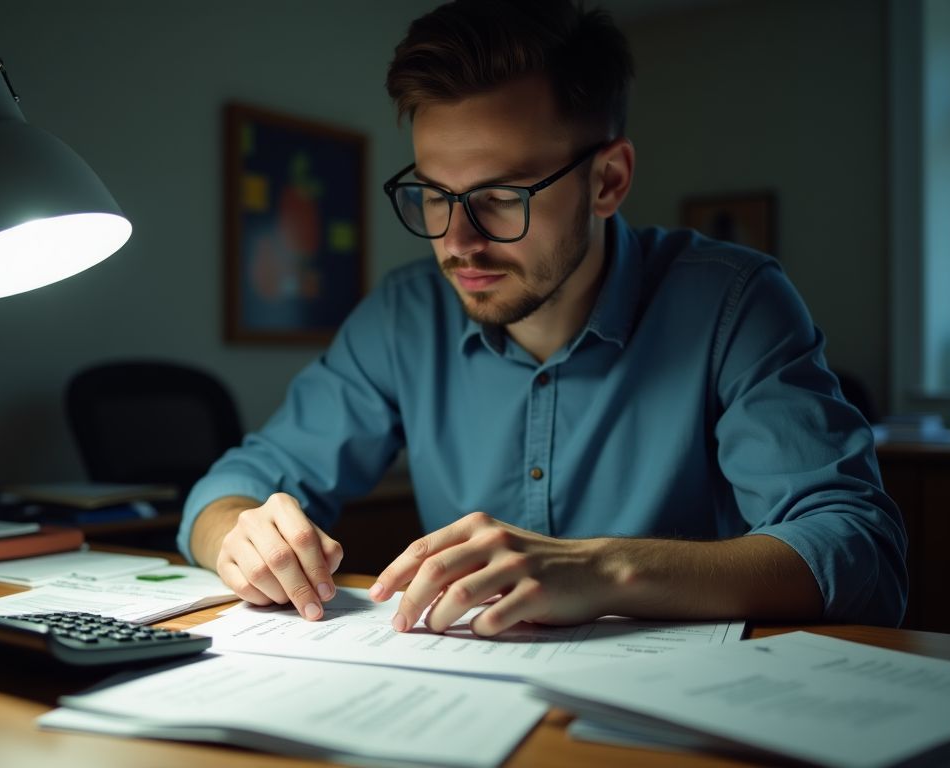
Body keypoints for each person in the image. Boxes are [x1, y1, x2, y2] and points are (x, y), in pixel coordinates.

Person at [180, 0, 907, 637]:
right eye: (433, 194)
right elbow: (227, 490)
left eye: (501, 196)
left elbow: (857, 551)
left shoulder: (733, 302)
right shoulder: (403, 317)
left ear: (608, 180)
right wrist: (243, 535)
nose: (457, 241)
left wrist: (602, 569)